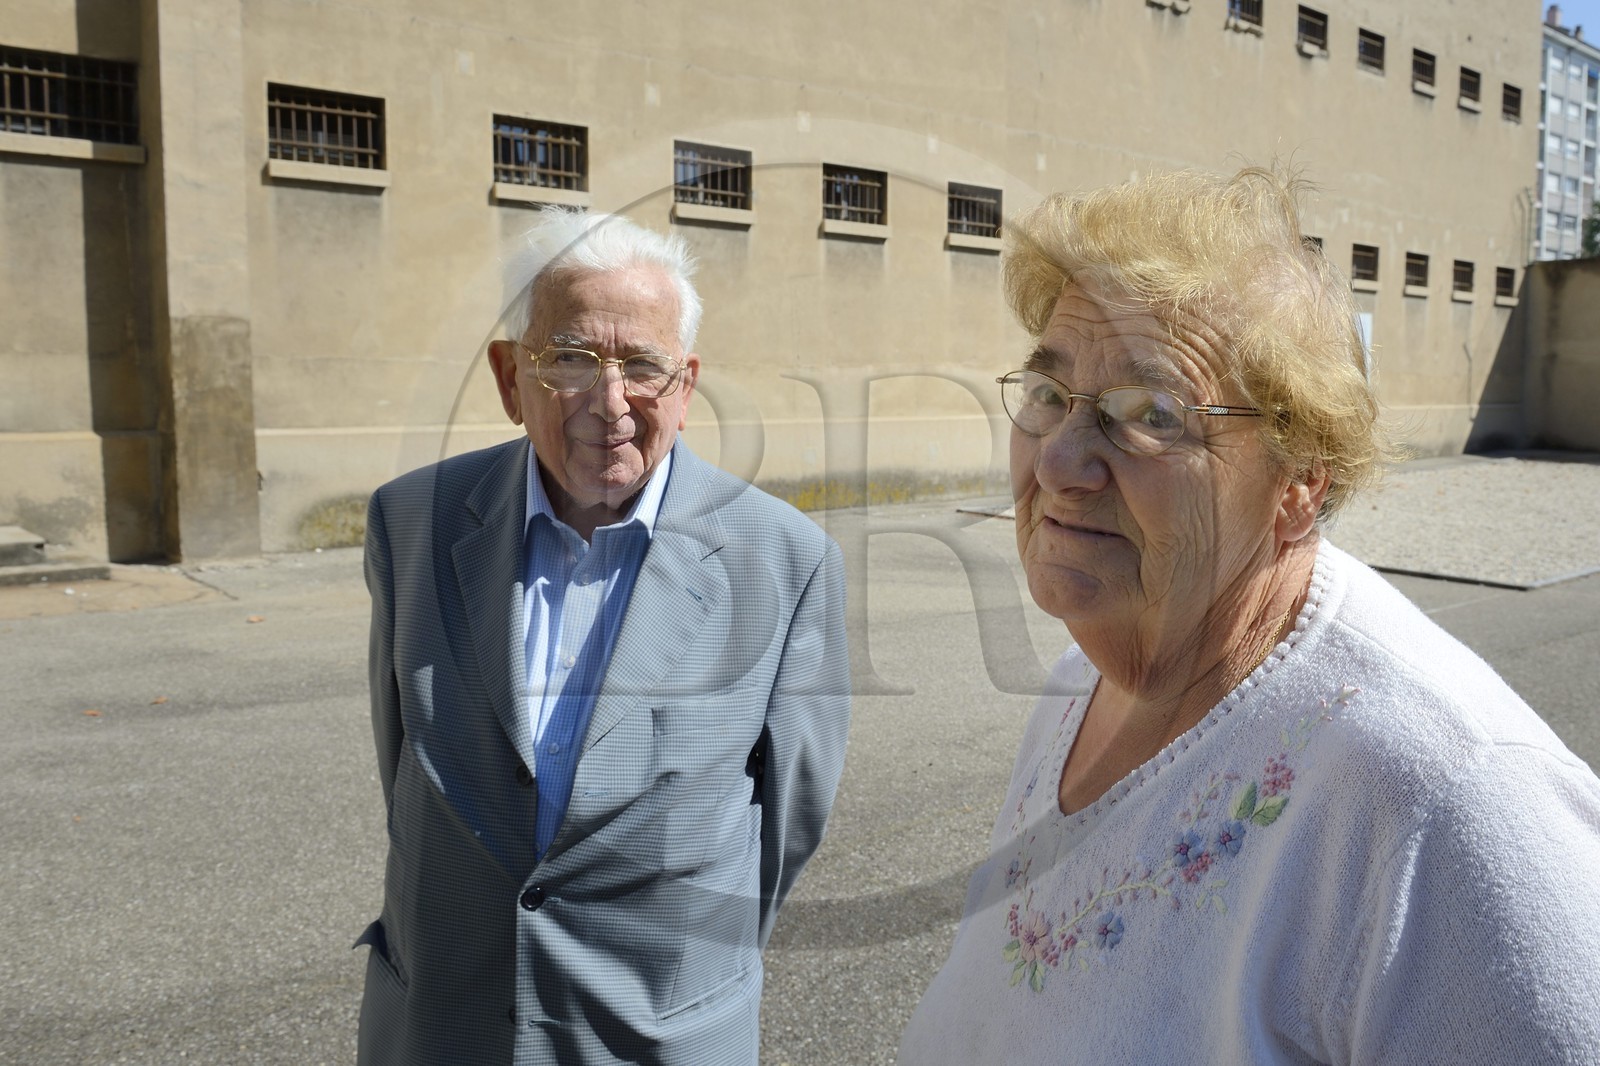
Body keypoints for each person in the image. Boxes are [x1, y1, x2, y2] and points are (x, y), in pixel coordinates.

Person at [899, 168, 1600, 1064]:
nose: (1063, 460)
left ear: (1300, 482)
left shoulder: (1446, 798)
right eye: (1049, 393)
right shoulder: (1085, 680)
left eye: (1150, 413)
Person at [356, 209, 851, 1065]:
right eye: (572, 360)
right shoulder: (413, 523)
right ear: (511, 378)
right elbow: (403, 761)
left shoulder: (785, 560)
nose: (610, 403)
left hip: (657, 1033)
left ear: (686, 387)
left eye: (644, 366)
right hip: (445, 1025)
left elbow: (785, 828)